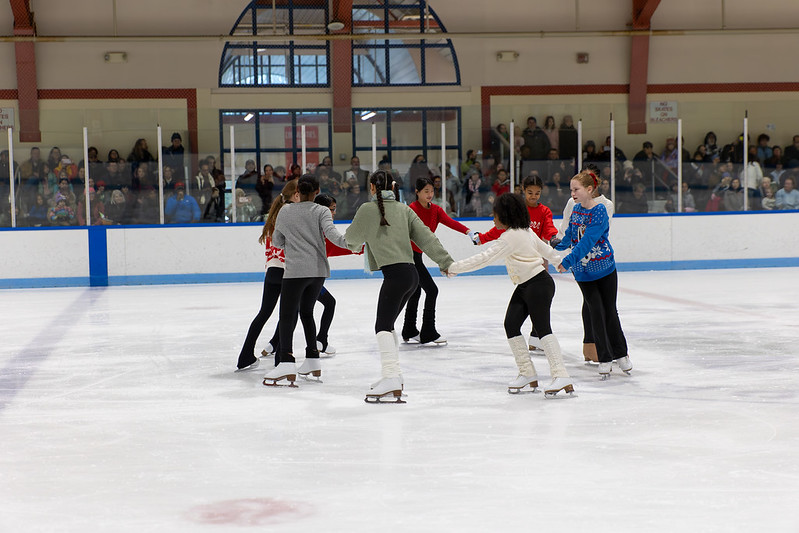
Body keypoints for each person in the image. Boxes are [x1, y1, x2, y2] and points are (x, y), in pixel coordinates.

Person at [344, 170, 454, 403]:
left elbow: (351, 241)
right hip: (411, 275)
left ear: (372, 188)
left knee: (382, 326)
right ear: (392, 187)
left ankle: (391, 378)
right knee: (388, 325)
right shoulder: (405, 210)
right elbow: (427, 238)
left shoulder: (367, 210)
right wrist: (445, 261)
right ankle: (393, 376)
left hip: (395, 276)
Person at [448, 193, 573, 397]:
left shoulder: (509, 238)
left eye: (495, 214)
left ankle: (561, 375)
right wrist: (558, 260)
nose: (493, 217)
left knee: (543, 329)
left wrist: (454, 267)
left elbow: (483, 259)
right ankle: (527, 373)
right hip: (528, 285)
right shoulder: (524, 231)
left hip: (537, 284)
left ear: (505, 215)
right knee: (511, 324)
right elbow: (546, 250)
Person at [263, 175, 348, 387]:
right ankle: (312, 359)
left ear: (298, 192)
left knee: (287, 315)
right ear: (316, 192)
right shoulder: (322, 211)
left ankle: (286, 361)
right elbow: (333, 235)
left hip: (295, 272)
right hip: (318, 272)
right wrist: (353, 243)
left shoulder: (285, 211)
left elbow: (277, 242)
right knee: (307, 312)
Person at [555, 170, 631, 380]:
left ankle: (621, 354)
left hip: (605, 268)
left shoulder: (599, 211)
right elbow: (570, 235)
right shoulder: (576, 210)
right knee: (595, 311)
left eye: (576, 189)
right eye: (571, 189)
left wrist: (567, 260)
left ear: (589, 189)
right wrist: (555, 244)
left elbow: (587, 241)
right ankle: (605, 358)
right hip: (583, 272)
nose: (573, 193)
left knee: (609, 311)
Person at [475, 174, 558, 351]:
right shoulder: (518, 208)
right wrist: (482, 238)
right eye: (530, 192)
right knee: (528, 298)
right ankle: (538, 336)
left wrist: (553, 237)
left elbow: (549, 227)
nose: (533, 196)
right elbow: (500, 228)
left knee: (541, 301)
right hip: (520, 259)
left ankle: (537, 335)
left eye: (537, 193)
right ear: (522, 190)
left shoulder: (544, 211)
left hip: (538, 257)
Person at [401, 177, 474, 345]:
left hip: (417, 256)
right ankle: (428, 331)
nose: (430, 194)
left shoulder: (436, 210)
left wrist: (468, 231)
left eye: (432, 191)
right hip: (408, 256)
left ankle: (409, 329)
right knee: (431, 290)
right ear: (417, 192)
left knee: (416, 291)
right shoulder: (411, 210)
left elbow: (451, 222)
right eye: (426, 191)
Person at [235, 180, 299, 372]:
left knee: (264, 313)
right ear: (296, 195)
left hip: (272, 270)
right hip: (286, 270)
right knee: (290, 314)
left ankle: (245, 355)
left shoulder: (276, 213)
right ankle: (281, 357)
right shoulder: (290, 213)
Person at [554, 164, 614, 363]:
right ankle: (591, 345)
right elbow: (567, 229)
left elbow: (597, 234)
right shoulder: (574, 202)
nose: (573, 192)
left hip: (598, 259)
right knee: (591, 305)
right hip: (579, 263)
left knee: (604, 306)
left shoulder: (605, 205)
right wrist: (560, 245)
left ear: (592, 185)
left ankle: (611, 348)